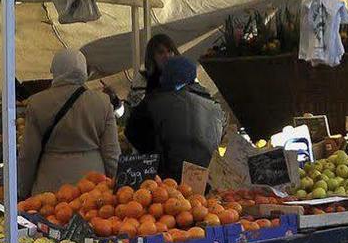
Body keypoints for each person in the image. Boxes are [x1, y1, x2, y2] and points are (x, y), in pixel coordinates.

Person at [16, 47, 121, 196]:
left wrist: (22, 191)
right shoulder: (102, 102)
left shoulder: (37, 103)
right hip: (93, 187)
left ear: (56, 70)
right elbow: (112, 153)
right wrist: (119, 188)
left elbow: (28, 155)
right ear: (84, 71)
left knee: (49, 217)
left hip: (50, 187)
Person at [124, 52, 225, 180]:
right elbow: (219, 139)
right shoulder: (215, 107)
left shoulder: (153, 103)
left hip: (165, 184)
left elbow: (132, 133)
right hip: (205, 181)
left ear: (164, 77)